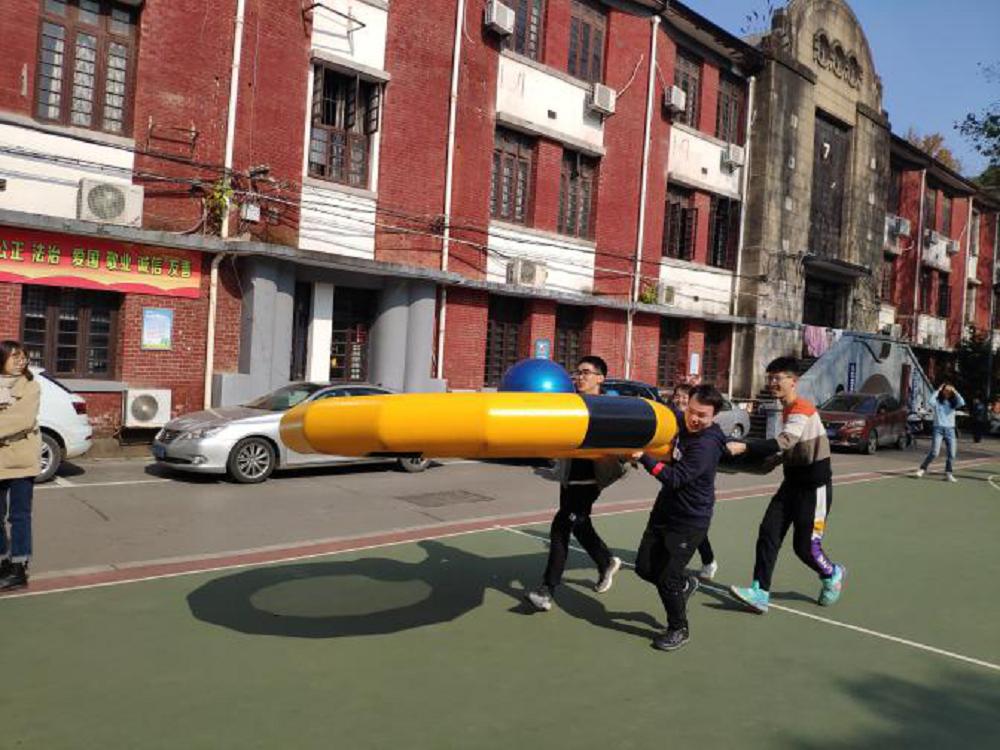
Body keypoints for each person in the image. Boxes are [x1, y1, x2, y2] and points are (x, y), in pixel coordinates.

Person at [726, 357, 846, 614]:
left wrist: (745, 447)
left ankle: (832, 572)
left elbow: (785, 440)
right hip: (791, 484)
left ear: (794, 381)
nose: (772, 383)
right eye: (769, 378)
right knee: (768, 533)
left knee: (805, 548)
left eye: (778, 378)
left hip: (814, 488)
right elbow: (792, 446)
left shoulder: (802, 408)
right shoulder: (787, 409)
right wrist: (776, 460)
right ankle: (760, 592)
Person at [526, 356, 628, 612]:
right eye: (578, 372)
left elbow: (622, 442)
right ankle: (606, 561)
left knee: (560, 528)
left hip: (590, 479)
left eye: (586, 372)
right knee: (580, 524)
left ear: (600, 378)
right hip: (569, 476)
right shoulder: (571, 403)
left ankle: (547, 590)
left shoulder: (608, 407)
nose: (579, 377)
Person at [633, 384, 727, 651]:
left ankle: (678, 628)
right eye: (691, 411)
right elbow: (668, 415)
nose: (693, 418)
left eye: (702, 415)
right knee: (643, 567)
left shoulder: (705, 445)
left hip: (689, 520)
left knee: (667, 579)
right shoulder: (683, 422)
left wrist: (645, 459)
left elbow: (675, 478)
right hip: (664, 511)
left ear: (714, 416)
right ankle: (686, 584)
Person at [0, 340, 41, 591]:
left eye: (23, 356)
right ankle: (3, 560)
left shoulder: (31, 385)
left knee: (19, 516)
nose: (21, 360)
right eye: (14, 356)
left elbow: (23, 420)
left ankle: (18, 568)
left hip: (22, 459)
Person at [671, 382, 719, 581]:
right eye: (678, 396)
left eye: (684, 396)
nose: (680, 400)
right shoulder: (676, 419)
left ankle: (708, 561)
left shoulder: (704, 435)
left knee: (696, 532)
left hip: (694, 495)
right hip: (677, 488)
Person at [914, 381, 965, 482]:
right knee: (934, 452)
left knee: (952, 454)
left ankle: (948, 473)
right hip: (938, 429)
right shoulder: (937, 402)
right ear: (942, 391)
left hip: (950, 430)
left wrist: (955, 391)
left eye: (949, 391)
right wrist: (938, 390)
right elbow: (930, 401)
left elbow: (962, 402)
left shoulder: (953, 403)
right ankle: (922, 468)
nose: (947, 393)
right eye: (946, 390)